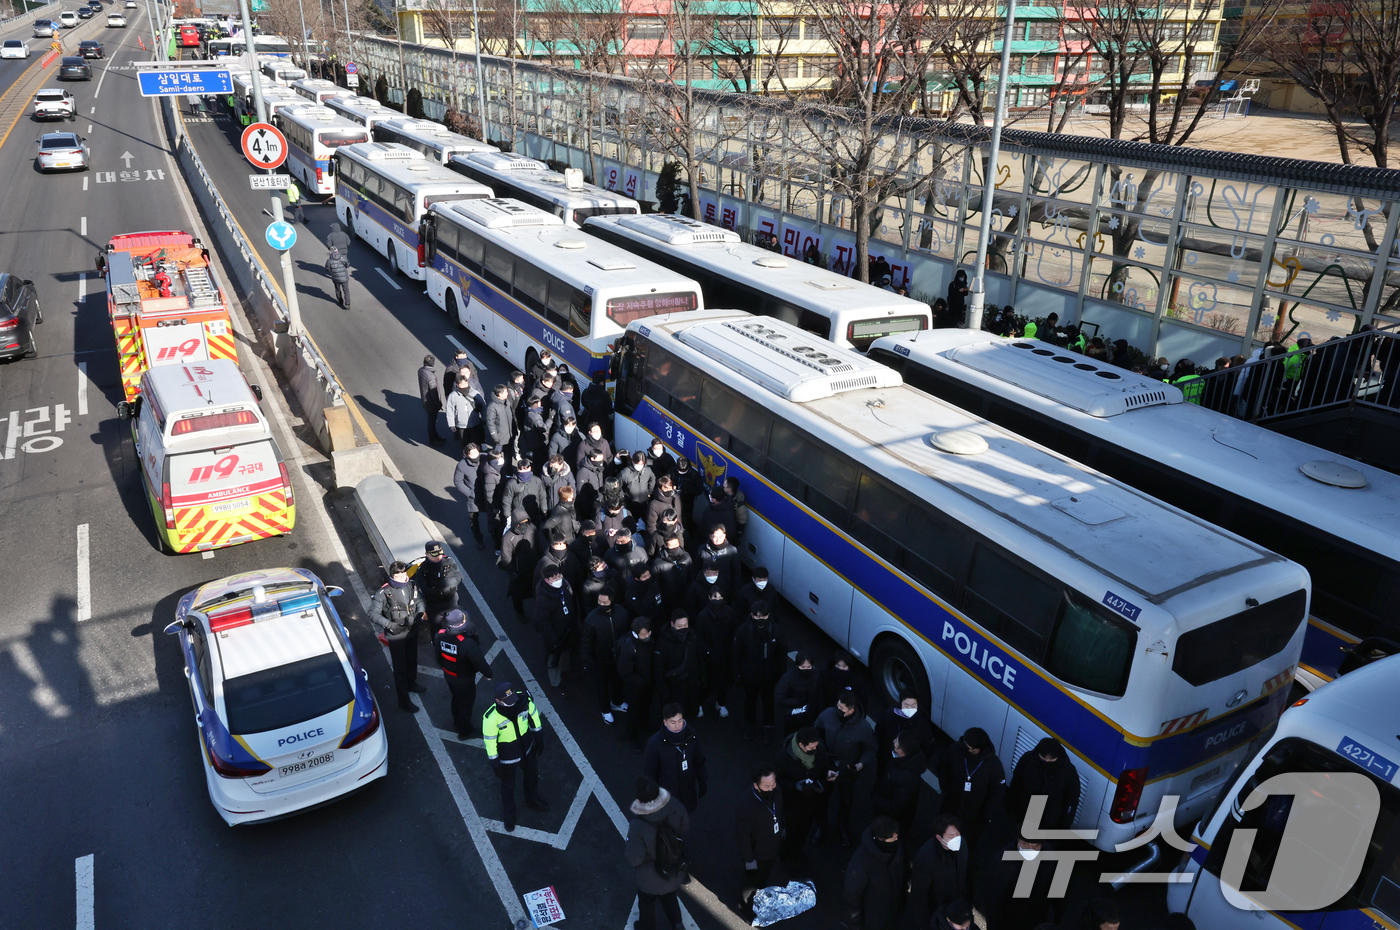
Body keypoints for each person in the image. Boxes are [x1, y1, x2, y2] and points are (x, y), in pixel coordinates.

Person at [481, 681, 549, 832]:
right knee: (508, 786)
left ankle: (532, 799)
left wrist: (539, 736)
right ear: (497, 700)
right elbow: (490, 742)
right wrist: (495, 763)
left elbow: (534, 716)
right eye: (507, 701)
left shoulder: (523, 700)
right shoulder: (490, 718)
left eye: (512, 698)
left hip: (526, 748)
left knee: (532, 775)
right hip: (507, 757)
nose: (512, 703)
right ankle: (509, 814)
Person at [625, 777, 690, 930]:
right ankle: (677, 924)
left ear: (640, 801)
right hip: (674, 869)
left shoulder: (637, 826)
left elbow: (634, 859)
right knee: (670, 896)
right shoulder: (674, 804)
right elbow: (685, 827)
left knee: (646, 902)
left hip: (650, 879)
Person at [816, 689, 877, 846]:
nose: (837, 709)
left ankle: (842, 827)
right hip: (827, 765)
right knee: (822, 797)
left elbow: (870, 749)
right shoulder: (827, 714)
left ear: (851, 710)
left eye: (841, 708)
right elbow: (817, 731)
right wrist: (821, 750)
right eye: (837, 705)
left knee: (846, 800)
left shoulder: (863, 728)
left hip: (847, 771)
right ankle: (821, 825)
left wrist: (861, 764)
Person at [369, 561, 427, 712]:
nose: (402, 578)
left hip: (412, 631)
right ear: (392, 576)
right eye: (398, 576)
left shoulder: (411, 586)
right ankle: (404, 701)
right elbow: (373, 614)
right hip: (396, 635)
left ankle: (412, 683)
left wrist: (419, 613)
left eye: (404, 574)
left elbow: (419, 600)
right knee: (400, 669)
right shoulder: (383, 593)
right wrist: (390, 625)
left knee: (412, 660)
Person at [936, 727, 1006, 849]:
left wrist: (987, 815)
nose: (963, 747)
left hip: (974, 813)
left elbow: (996, 793)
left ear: (977, 750)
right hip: (951, 803)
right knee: (943, 830)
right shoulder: (955, 749)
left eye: (967, 747)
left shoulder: (993, 765)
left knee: (967, 841)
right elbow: (943, 767)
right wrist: (946, 789)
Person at [775, 725, 834, 861]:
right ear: (801, 745)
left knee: (804, 830)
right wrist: (796, 786)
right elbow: (777, 781)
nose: (815, 750)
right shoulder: (783, 758)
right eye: (811, 747)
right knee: (792, 832)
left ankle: (797, 851)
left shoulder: (819, 750)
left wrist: (827, 774)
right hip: (793, 804)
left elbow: (824, 766)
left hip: (812, 801)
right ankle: (786, 856)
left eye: (816, 746)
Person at [976, 833, 1056, 930]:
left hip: (1038, 918)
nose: (1030, 850)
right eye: (1025, 845)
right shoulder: (1002, 863)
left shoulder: (1048, 855)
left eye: (1035, 846)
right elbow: (994, 903)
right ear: (1018, 840)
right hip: (1011, 921)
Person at [433, 608, 491, 739]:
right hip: (464, 679)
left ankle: (457, 723)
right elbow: (479, 661)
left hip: (449, 675)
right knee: (466, 704)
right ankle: (465, 731)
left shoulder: (439, 635)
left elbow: (438, 655)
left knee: (456, 699)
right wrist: (488, 674)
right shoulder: (467, 643)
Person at [733, 605, 788, 741]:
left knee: (768, 702)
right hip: (750, 675)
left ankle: (768, 726)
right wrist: (737, 674)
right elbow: (736, 655)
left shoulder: (776, 632)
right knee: (749, 702)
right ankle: (750, 725)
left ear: (768, 615)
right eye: (757, 616)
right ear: (752, 615)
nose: (760, 619)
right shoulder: (743, 631)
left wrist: (781, 677)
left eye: (763, 616)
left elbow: (782, 656)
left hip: (768, 676)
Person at [840, 816, 906, 930]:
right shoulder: (861, 862)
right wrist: (855, 925)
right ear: (881, 839)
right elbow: (852, 897)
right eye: (893, 838)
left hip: (892, 909)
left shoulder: (897, 846)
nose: (897, 840)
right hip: (873, 918)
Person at [734, 766, 784, 914]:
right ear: (756, 786)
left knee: (764, 877)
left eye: (773, 784)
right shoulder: (746, 805)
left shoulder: (776, 791)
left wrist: (782, 828)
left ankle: (759, 893)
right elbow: (742, 836)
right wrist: (749, 859)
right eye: (767, 786)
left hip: (772, 847)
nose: (772, 788)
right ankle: (745, 906)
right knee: (750, 882)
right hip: (757, 853)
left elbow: (780, 812)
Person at [1006, 737, 1082, 834]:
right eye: (1044, 759)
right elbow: (1016, 783)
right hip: (1024, 812)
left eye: (1051, 760)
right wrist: (1011, 808)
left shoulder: (1069, 771)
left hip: (1050, 820)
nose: (1047, 762)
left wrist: (1065, 825)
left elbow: (1072, 799)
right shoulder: (1027, 759)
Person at [642, 703, 708, 814]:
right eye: (673, 722)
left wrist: (703, 780)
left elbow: (698, 761)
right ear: (665, 722)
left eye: (680, 720)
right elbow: (650, 773)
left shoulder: (691, 735)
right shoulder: (655, 743)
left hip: (688, 791)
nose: (678, 726)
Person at [907, 815, 970, 929]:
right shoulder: (925, 858)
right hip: (937, 912)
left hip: (956, 906)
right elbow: (920, 896)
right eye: (951, 836)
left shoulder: (962, 845)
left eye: (957, 834)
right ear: (939, 838)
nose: (956, 838)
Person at [581, 588, 629, 724]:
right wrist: (587, 660)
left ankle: (617, 702)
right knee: (602, 686)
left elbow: (627, 631)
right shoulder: (591, 619)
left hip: (618, 657)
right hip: (600, 659)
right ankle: (605, 710)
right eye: (599, 601)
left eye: (604, 602)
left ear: (612, 602)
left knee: (618, 682)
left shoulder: (622, 613)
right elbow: (586, 642)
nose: (601, 604)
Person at [532, 564, 578, 691]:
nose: (558, 579)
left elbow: (571, 602)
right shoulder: (542, 598)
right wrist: (552, 640)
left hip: (567, 630)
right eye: (554, 578)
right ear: (547, 580)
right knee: (554, 658)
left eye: (559, 576)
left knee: (566, 652)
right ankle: (555, 682)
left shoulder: (564, 585)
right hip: (555, 634)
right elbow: (542, 622)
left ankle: (565, 669)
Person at [871, 733, 925, 840]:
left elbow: (897, 807)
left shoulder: (907, 779)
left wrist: (876, 799)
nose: (893, 741)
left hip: (891, 819)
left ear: (901, 751)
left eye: (896, 742)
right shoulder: (906, 762)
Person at [695, 586, 737, 719]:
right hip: (709, 656)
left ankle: (721, 703)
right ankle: (699, 703)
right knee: (707, 683)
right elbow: (699, 638)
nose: (717, 600)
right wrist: (708, 651)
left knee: (723, 682)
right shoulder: (703, 616)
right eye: (715, 597)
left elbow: (734, 631)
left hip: (725, 654)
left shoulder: (730, 612)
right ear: (709, 597)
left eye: (720, 597)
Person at [874, 692, 935, 780]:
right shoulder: (889, 715)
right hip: (886, 758)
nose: (910, 708)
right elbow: (879, 732)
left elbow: (928, 749)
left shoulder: (923, 725)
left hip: (905, 765)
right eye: (906, 705)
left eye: (913, 705)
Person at [654, 610, 703, 719]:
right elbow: (658, 668)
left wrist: (702, 676)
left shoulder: (692, 635)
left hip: (691, 682)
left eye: (685, 625)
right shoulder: (662, 642)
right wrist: (664, 691)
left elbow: (699, 656)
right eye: (680, 626)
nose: (683, 628)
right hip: (674, 687)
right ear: (672, 624)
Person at [618, 617, 657, 749]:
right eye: (644, 635)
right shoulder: (628, 647)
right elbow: (624, 672)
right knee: (634, 713)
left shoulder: (648, 641)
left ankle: (645, 725)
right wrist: (642, 682)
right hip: (635, 688)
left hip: (647, 684)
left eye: (648, 633)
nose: (647, 636)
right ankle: (632, 736)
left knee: (646, 707)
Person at [498, 507, 540, 617]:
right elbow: (506, 556)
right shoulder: (508, 538)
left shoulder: (532, 529)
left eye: (526, 522)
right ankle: (519, 611)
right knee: (517, 593)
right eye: (521, 523)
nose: (524, 525)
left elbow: (539, 545)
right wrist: (513, 572)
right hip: (518, 570)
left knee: (537, 590)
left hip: (533, 566)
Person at [774, 651, 822, 735]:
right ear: (797, 666)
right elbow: (779, 699)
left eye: (809, 667)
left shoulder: (816, 675)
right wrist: (799, 701)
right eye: (803, 667)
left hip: (811, 714)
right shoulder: (788, 678)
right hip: (794, 716)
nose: (806, 669)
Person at [416, 540, 462, 628]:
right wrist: (439, 589)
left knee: (457, 626)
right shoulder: (422, 569)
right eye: (434, 554)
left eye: (439, 553)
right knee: (436, 628)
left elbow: (458, 577)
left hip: (451, 601)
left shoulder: (449, 561)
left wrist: (439, 585)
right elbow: (423, 588)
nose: (438, 556)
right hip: (434, 605)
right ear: (427, 554)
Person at [453, 443, 489, 550]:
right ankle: (478, 539)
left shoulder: (485, 458)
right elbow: (458, 482)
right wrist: (470, 493)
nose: (475, 456)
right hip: (473, 497)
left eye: (476, 453)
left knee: (492, 515)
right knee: (473, 520)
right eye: (472, 454)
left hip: (487, 494)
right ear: (467, 454)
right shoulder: (462, 465)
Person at [697, 522, 740, 601]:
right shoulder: (702, 549)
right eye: (715, 537)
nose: (718, 539)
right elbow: (697, 567)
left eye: (720, 536)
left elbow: (736, 572)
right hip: (706, 586)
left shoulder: (732, 550)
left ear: (725, 536)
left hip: (725, 587)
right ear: (710, 536)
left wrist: (735, 591)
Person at [445, 374, 486, 454]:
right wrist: (451, 424)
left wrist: (484, 418)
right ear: (457, 385)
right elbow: (450, 410)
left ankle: (476, 457)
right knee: (464, 443)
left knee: (476, 442)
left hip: (475, 423)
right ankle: (466, 457)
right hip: (461, 425)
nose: (464, 386)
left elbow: (483, 407)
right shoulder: (453, 396)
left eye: (465, 383)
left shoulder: (475, 393)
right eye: (461, 384)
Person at [501, 459, 548, 529]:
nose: (524, 472)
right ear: (518, 469)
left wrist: (544, 510)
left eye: (526, 469)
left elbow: (542, 496)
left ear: (530, 468)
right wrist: (508, 517)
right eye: (521, 469)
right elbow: (506, 501)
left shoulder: (537, 481)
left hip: (534, 516)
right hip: (519, 517)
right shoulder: (511, 484)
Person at [417, 353, 445, 445]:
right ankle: (432, 440)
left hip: (425, 401)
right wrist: (439, 404)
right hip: (431, 404)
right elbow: (434, 393)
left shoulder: (421, 370)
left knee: (431, 421)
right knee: (432, 422)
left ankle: (436, 436)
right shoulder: (431, 376)